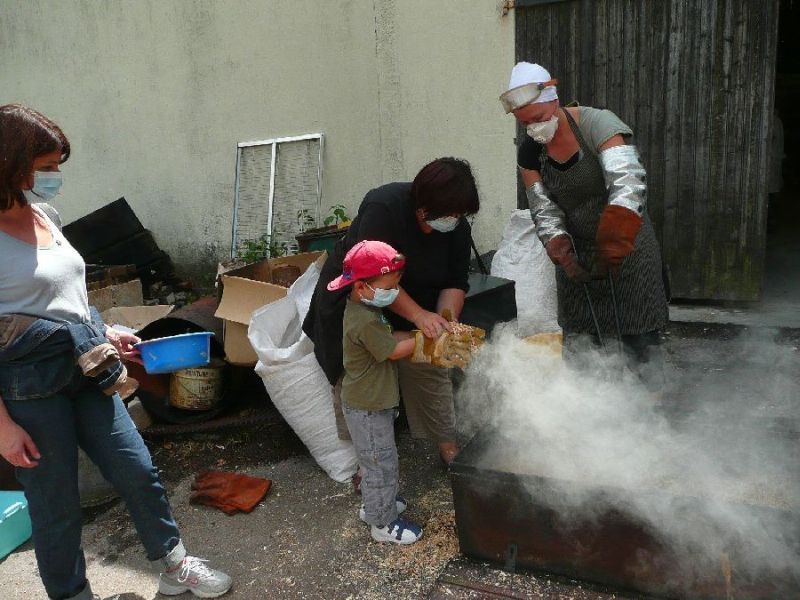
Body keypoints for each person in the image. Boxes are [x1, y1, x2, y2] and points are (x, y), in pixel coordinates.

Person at [0, 104, 232, 599]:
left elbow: (72, 298)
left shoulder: (45, 212)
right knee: (56, 506)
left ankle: (173, 565)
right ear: (11, 163)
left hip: (87, 368)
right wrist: (1, 425)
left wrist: (108, 331)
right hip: (31, 388)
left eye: (57, 164)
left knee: (137, 469)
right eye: (47, 165)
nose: (55, 175)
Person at [303, 157, 481, 467]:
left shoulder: (456, 226)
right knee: (363, 375)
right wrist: (419, 317)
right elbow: (369, 277)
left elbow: (455, 282)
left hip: (416, 299)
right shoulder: (384, 207)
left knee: (431, 360)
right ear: (423, 206)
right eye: (448, 213)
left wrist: (445, 322)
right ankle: (366, 463)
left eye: (458, 214)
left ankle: (447, 446)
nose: (453, 220)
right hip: (363, 297)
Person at [500, 63, 669, 387]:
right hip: (576, 253)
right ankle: (587, 417)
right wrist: (560, 249)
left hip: (627, 247)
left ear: (553, 99)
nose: (533, 130)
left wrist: (615, 239)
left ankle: (646, 417)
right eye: (525, 124)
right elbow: (543, 207)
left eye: (537, 119)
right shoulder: (530, 153)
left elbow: (628, 184)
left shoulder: (598, 124)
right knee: (582, 344)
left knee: (638, 342)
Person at [327, 240, 422, 544]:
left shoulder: (362, 308)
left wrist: (417, 334)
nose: (393, 292)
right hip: (367, 407)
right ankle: (383, 524)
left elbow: (388, 337)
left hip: (369, 402)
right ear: (362, 286)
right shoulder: (365, 320)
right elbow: (393, 350)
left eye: (396, 285)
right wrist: (425, 342)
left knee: (376, 461)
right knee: (381, 463)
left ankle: (375, 506)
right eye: (388, 286)